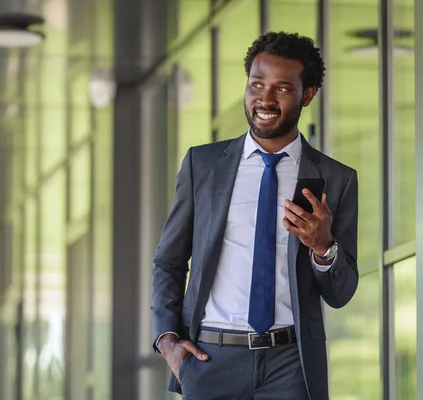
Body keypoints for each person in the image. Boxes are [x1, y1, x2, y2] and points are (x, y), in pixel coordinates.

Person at [151, 31, 359, 400]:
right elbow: (168, 261)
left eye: (281, 88)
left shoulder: (335, 179)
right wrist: (167, 338)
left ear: (306, 95)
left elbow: (341, 293)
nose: (264, 98)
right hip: (210, 359)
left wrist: (323, 247)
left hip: (290, 366)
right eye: (256, 84)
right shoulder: (204, 165)